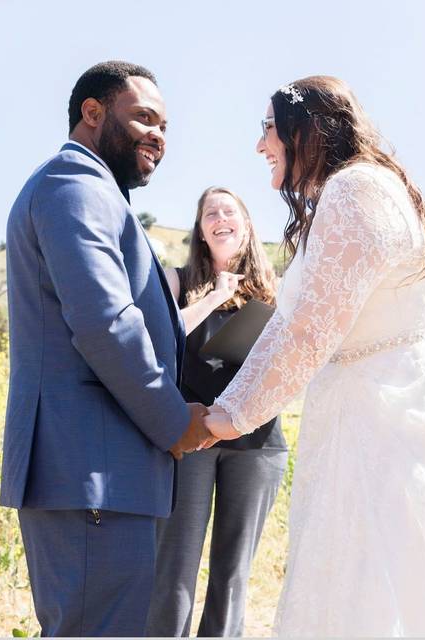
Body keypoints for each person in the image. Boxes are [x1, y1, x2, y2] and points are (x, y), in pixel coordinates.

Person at [201, 76, 425, 636]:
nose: (260, 146)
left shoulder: (355, 191)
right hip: (376, 406)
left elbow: (307, 331)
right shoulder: (362, 187)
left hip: (384, 417)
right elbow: (295, 326)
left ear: (310, 130)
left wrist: (225, 418)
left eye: (269, 129)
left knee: (372, 581)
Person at [0, 61, 211, 637]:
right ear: (91, 113)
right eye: (144, 117)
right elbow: (106, 325)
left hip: (103, 470)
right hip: (90, 469)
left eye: (166, 125)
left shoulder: (95, 192)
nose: (159, 135)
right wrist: (174, 422)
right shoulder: (75, 185)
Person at [147, 187, 287, 637]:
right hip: (192, 437)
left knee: (233, 572)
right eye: (211, 213)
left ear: (246, 225)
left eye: (230, 211)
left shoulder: (276, 292)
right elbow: (158, 339)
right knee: (175, 564)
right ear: (201, 231)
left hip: (257, 445)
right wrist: (212, 297)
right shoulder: (175, 280)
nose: (221, 218)